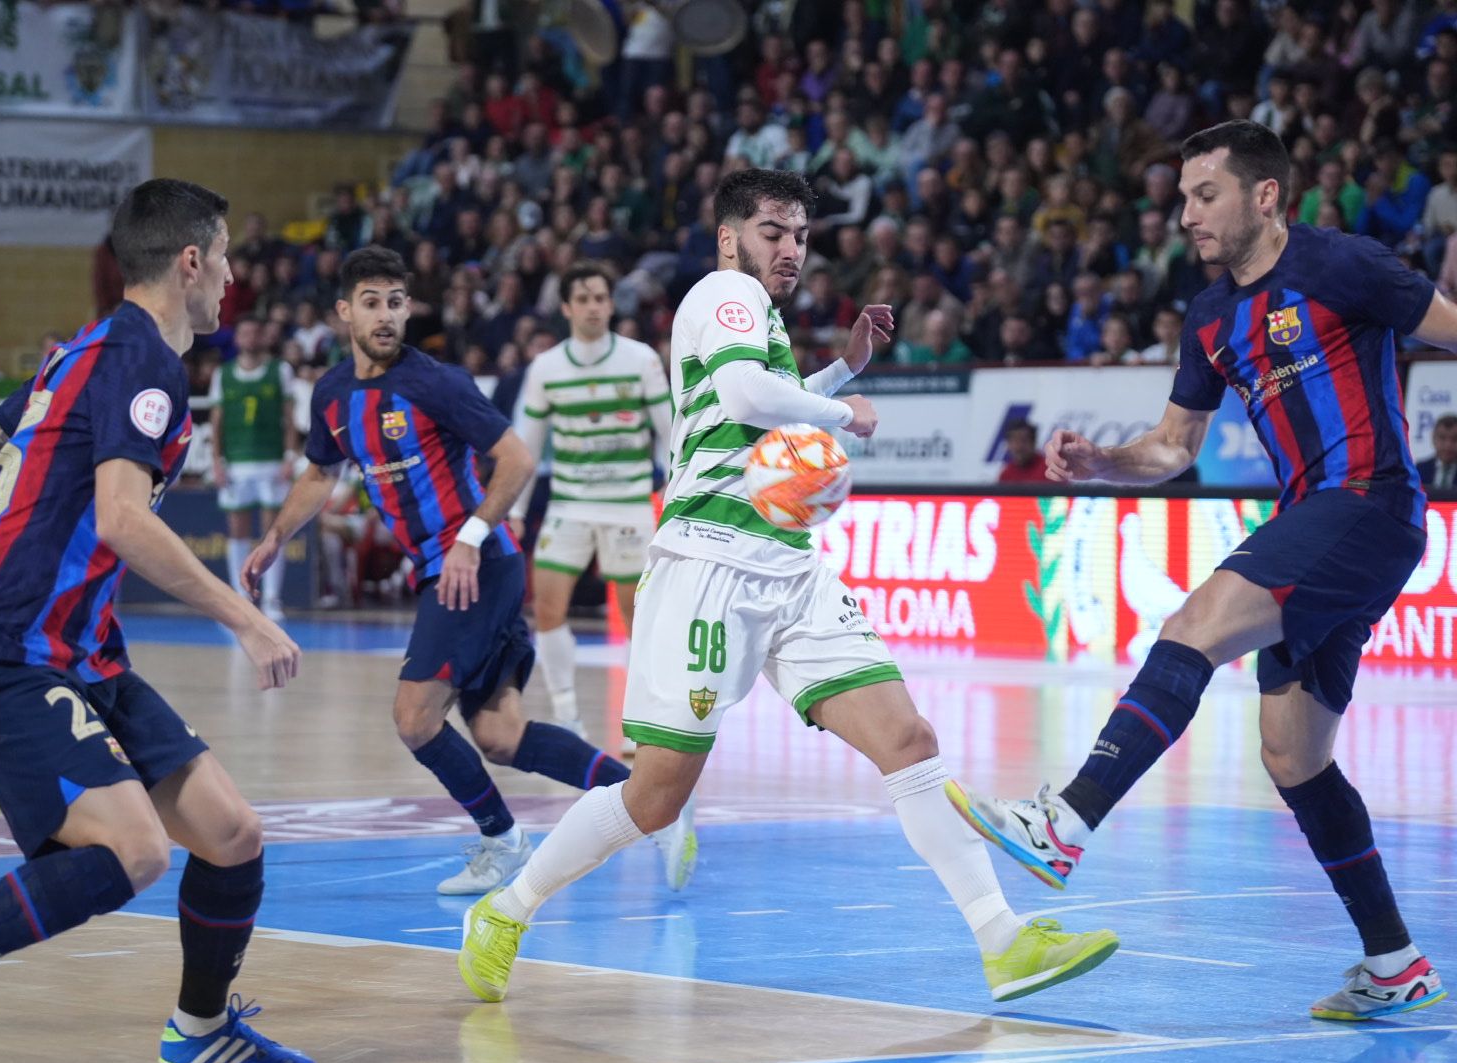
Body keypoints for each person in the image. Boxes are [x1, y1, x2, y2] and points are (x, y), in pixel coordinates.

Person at [457, 168, 1120, 1006]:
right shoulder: (721, 291)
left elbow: (753, 405)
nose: (792, 249)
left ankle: (1003, 940)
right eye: (775, 231)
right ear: (732, 236)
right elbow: (743, 392)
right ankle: (509, 909)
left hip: (792, 566)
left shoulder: (757, 314)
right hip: (711, 568)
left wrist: (840, 374)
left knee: (908, 739)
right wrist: (844, 416)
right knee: (657, 796)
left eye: (802, 236)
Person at [949, 120, 1457, 1021]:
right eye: (1182, 197)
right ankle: (1397, 963)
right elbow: (1174, 446)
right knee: (1294, 759)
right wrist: (1105, 461)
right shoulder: (1212, 316)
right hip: (1315, 521)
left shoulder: (1347, 265)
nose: (1184, 214)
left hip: (1369, 504)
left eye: (1204, 194)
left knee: (1191, 631)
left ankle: (1065, 823)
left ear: (1265, 195)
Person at [0, 179, 313, 1063]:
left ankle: (199, 1029)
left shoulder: (82, 354)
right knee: (131, 851)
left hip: (78, 655)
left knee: (231, 834)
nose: (230, 278)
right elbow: (122, 523)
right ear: (189, 262)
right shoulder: (144, 364)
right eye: (222, 259)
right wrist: (247, 619)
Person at [241, 247, 694, 896]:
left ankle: (501, 839)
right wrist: (275, 537)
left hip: (477, 568)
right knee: (500, 736)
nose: (387, 315)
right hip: (445, 572)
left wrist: (471, 539)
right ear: (344, 313)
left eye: (397, 301)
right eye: (372, 302)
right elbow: (319, 472)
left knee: (414, 718)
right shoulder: (333, 395)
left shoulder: (435, 382)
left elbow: (515, 460)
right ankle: (653, 801)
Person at [509, 262, 673, 738]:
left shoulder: (640, 359)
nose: (593, 306)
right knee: (546, 608)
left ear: (610, 303)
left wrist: (670, 490)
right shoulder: (546, 367)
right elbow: (528, 445)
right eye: (583, 298)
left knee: (636, 618)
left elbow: (670, 433)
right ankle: (567, 717)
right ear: (565, 307)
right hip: (568, 506)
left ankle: (637, 721)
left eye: (601, 298)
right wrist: (516, 512)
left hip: (628, 506)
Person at [211, 315, 298, 621]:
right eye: (243, 332)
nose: (249, 338)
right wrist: (217, 462)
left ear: (262, 337)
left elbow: (289, 417)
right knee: (237, 531)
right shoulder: (223, 374)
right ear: (236, 339)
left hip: (272, 461)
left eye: (254, 332)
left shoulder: (280, 371)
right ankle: (240, 596)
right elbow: (217, 421)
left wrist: (290, 456)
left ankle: (272, 598)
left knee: (273, 533)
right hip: (236, 463)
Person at [1417, 413, 1457, 490]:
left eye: (1454, 439)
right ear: (1433, 438)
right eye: (1442, 438)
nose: (1448, 445)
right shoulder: (1420, 469)